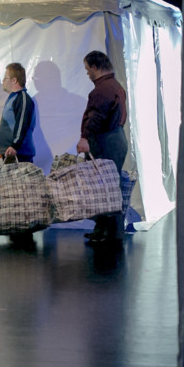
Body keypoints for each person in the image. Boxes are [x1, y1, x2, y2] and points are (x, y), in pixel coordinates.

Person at [76, 50, 128, 245]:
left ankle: (112, 234)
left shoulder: (101, 90)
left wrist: (85, 138)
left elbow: (96, 117)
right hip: (115, 138)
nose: (88, 73)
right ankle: (104, 230)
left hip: (107, 141)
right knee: (108, 186)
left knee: (107, 188)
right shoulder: (114, 86)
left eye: (88, 69)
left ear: (96, 68)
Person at [0, 62, 37, 163]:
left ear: (14, 80)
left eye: (5, 78)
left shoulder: (23, 98)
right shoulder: (13, 98)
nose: (2, 81)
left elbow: (22, 123)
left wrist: (15, 146)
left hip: (19, 154)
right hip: (10, 153)